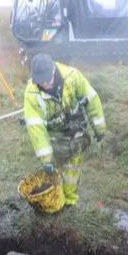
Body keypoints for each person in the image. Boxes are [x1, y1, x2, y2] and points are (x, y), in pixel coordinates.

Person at [23, 54, 106, 207]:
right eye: (41, 82)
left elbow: (92, 100)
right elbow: (36, 128)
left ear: (54, 70)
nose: (45, 84)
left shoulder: (73, 76)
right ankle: (56, 196)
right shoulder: (31, 95)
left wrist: (99, 129)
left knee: (72, 164)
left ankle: (70, 200)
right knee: (56, 164)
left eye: (48, 80)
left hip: (75, 126)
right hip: (53, 132)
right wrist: (46, 160)